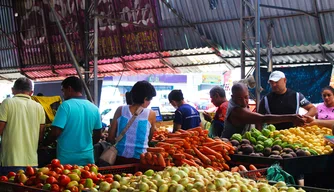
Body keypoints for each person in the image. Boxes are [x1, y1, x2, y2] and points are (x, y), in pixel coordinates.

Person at [44, 76, 102, 165]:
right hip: (88, 157)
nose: (63, 94)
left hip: (67, 159)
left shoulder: (65, 106)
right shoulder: (94, 108)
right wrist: (86, 146)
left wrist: (44, 143)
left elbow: (55, 132)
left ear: (69, 89)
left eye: (63, 90)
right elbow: (98, 135)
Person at [221, 83, 305, 138]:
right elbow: (263, 118)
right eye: (240, 98)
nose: (244, 101)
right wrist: (291, 117)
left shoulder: (239, 102)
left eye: (246, 97)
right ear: (232, 97)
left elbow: (257, 119)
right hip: (229, 146)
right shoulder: (236, 111)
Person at [0, 78, 45, 175]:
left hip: (11, 161)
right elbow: (41, 136)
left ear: (12, 90)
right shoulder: (39, 107)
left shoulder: (7, 103)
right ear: (31, 92)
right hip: (32, 163)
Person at [108, 81, 157, 164]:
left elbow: (111, 136)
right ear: (145, 99)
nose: (150, 103)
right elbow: (149, 138)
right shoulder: (151, 114)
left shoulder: (120, 110)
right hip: (141, 159)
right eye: (150, 99)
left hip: (120, 158)